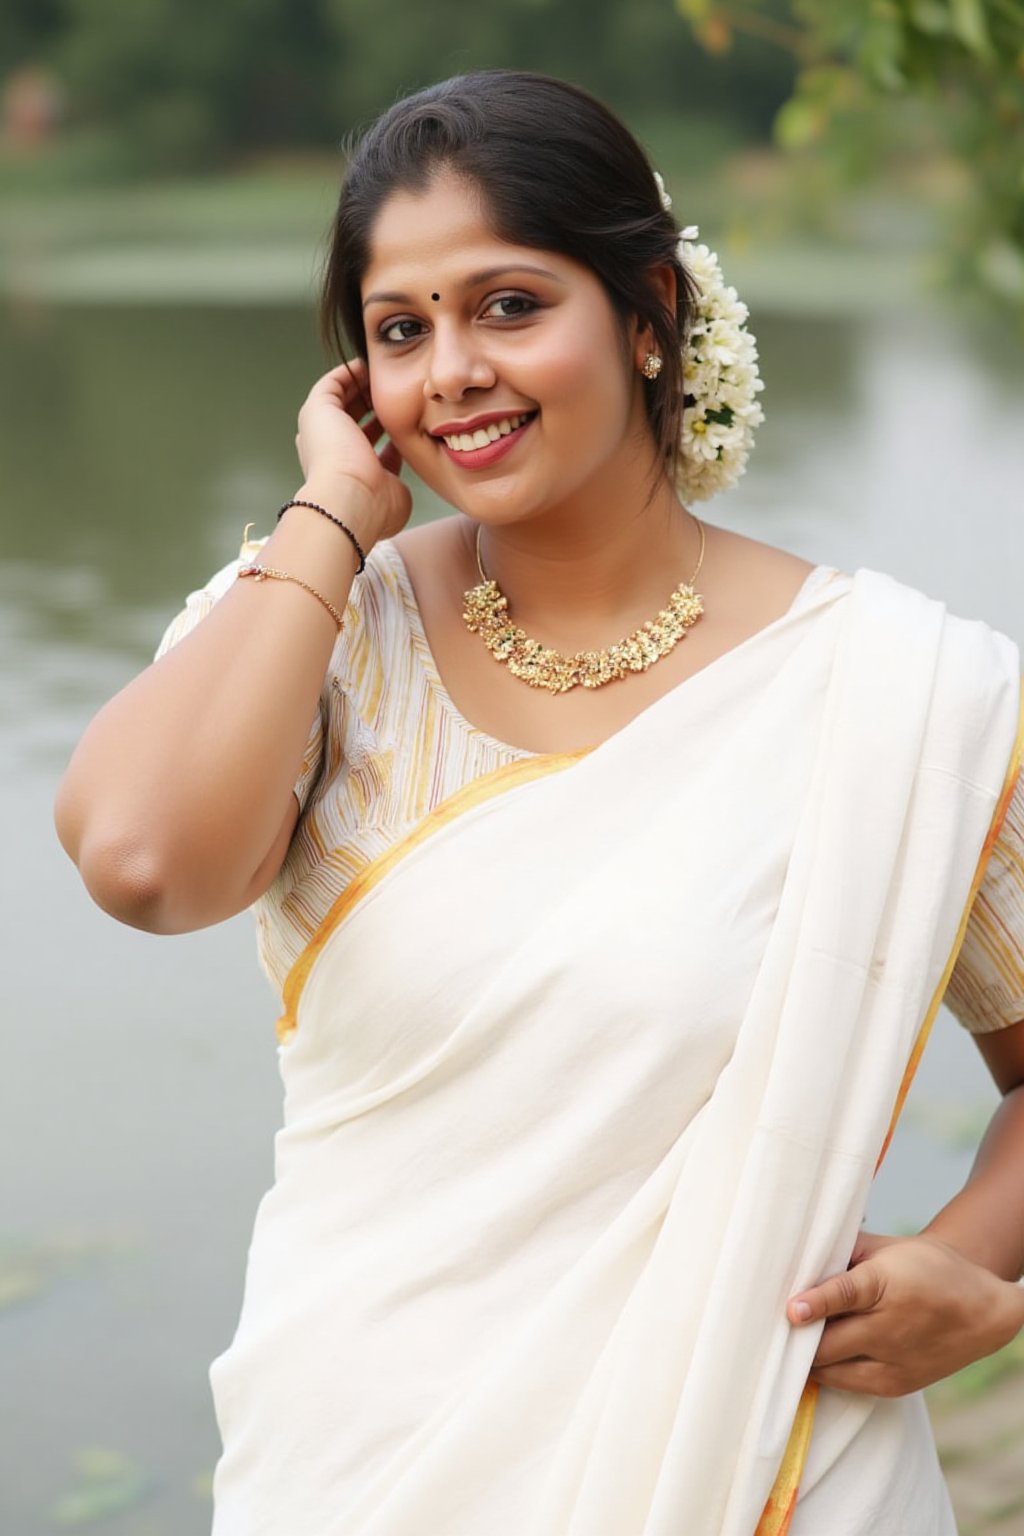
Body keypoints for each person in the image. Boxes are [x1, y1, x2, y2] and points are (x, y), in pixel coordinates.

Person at [54, 71, 1024, 1536]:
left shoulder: (895, 691)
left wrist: (973, 1266)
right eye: (400, 330)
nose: (451, 370)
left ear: (646, 316)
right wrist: (329, 520)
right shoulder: (321, 636)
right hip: (362, 1470)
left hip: (758, 1465)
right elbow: (141, 863)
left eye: (510, 305)